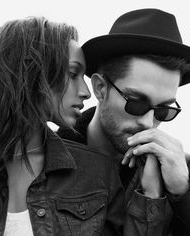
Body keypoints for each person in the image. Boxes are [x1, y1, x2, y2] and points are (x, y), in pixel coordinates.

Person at [0, 16, 128, 235]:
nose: (85, 91)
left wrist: (153, 196)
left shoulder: (97, 173)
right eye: (73, 74)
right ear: (30, 74)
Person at [58, 8, 190, 235]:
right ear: (100, 88)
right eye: (137, 103)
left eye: (164, 110)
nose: (149, 123)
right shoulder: (44, 158)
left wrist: (182, 194)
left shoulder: (179, 173)